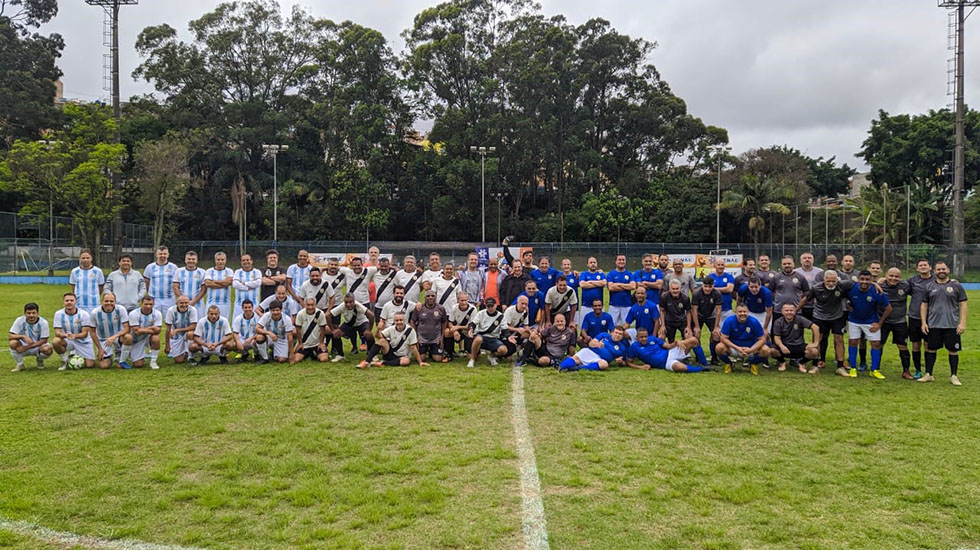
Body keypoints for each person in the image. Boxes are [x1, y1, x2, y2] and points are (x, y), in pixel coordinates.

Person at [920, 261, 968, 385]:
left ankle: (954, 376)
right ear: (934, 271)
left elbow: (963, 304)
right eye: (938, 269)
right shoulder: (929, 286)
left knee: (953, 350)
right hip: (933, 324)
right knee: (931, 349)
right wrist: (924, 322)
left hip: (951, 325)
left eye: (943, 269)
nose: (941, 271)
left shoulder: (956, 286)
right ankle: (928, 374)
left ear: (948, 270)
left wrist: (962, 323)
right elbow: (924, 305)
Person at [802, 270, 851, 377]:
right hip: (820, 317)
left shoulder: (843, 285)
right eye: (829, 281)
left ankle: (840, 366)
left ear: (837, 280)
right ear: (824, 279)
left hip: (837, 317)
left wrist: (875, 284)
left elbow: (859, 283)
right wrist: (795, 311)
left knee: (839, 339)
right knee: (818, 339)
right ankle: (815, 365)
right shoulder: (816, 288)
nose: (831, 284)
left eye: (834, 281)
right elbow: (806, 299)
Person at [846, 270, 892, 379]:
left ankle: (874, 370)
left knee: (876, 344)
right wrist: (847, 304)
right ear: (858, 279)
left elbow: (888, 308)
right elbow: (842, 296)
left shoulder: (876, 291)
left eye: (867, 279)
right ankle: (853, 368)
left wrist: (879, 323)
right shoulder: (851, 288)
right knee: (853, 342)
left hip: (871, 321)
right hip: (854, 320)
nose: (864, 282)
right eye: (862, 279)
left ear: (871, 280)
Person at [626, 326, 710, 372]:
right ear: (637, 337)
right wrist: (641, 367)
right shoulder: (634, 347)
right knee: (679, 367)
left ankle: (705, 364)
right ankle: (701, 369)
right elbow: (629, 362)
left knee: (694, 340)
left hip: (670, 353)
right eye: (641, 337)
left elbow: (668, 346)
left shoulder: (652, 338)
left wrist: (677, 342)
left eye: (645, 336)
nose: (644, 339)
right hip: (665, 363)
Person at [716, 303, 770, 375]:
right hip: (734, 348)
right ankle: (729, 363)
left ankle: (752, 363)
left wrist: (751, 349)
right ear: (735, 312)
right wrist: (737, 348)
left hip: (750, 348)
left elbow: (762, 339)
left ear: (748, 312)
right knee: (719, 347)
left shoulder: (754, 321)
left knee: (766, 350)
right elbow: (723, 338)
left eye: (744, 312)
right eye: (740, 312)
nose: (742, 314)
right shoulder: (729, 321)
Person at [360, 312, 427, 368]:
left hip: (403, 356)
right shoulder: (391, 328)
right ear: (394, 321)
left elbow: (413, 347)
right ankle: (366, 361)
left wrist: (420, 362)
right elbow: (378, 336)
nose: (399, 322)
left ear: (405, 320)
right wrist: (378, 329)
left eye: (401, 320)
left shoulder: (410, 330)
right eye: (397, 320)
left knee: (406, 361)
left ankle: (383, 363)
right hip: (391, 353)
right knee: (381, 341)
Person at [881, 267, 913, 379]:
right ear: (886, 275)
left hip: (900, 322)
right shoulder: (879, 286)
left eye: (897, 276)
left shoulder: (905, 286)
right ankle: (875, 369)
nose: (893, 278)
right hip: (883, 322)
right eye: (891, 276)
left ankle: (906, 371)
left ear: (900, 278)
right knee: (878, 345)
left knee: (903, 346)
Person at [906, 259, 935, 379]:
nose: (923, 267)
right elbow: (898, 285)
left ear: (930, 267)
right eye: (920, 265)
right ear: (917, 268)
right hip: (914, 316)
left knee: (929, 345)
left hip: (931, 318)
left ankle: (929, 371)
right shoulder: (912, 281)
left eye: (925, 265)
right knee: (915, 344)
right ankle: (918, 370)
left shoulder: (936, 280)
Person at [770, 304, 821, 372]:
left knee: (814, 352)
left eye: (791, 310)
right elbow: (776, 338)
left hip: (799, 345)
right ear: (782, 312)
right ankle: (782, 362)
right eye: (786, 310)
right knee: (772, 350)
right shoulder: (778, 322)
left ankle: (802, 363)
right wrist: (782, 346)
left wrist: (816, 343)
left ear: (795, 311)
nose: (789, 312)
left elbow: (816, 327)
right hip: (785, 346)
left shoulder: (800, 319)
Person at [52, 293, 96, 370]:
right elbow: (57, 332)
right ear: (63, 302)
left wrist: (74, 336)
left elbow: (85, 333)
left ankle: (75, 355)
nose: (69, 302)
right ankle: (64, 360)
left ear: (76, 302)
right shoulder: (58, 314)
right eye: (67, 300)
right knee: (56, 341)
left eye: (71, 300)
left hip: (83, 341)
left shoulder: (84, 314)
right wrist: (66, 335)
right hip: (67, 340)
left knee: (90, 365)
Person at [557, 325, 629, 372]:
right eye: (616, 333)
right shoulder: (604, 335)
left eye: (620, 334)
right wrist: (598, 344)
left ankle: (578, 368)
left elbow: (624, 362)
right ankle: (560, 367)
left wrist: (620, 362)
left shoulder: (622, 347)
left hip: (600, 359)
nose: (617, 335)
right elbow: (591, 344)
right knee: (575, 359)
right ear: (612, 333)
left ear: (622, 336)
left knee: (604, 365)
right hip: (590, 351)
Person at [327, 293, 375, 362]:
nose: (348, 304)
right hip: (348, 324)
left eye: (350, 302)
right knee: (336, 334)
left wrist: (369, 329)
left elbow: (371, 315)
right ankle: (340, 355)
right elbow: (328, 316)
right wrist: (332, 330)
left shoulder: (358, 306)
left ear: (354, 301)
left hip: (362, 323)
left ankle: (372, 355)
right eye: (346, 302)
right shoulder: (342, 306)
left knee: (368, 335)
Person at [89, 292, 131, 370]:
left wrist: (114, 337)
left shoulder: (121, 309)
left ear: (115, 302)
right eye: (106, 301)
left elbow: (127, 328)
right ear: (101, 301)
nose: (109, 303)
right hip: (103, 339)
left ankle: (122, 360)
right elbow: (92, 332)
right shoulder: (95, 313)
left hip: (118, 337)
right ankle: (109, 357)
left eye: (111, 301)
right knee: (104, 366)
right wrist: (100, 349)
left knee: (128, 337)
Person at [9, 302, 52, 372]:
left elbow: (44, 340)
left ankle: (40, 359)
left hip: (38, 346)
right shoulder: (19, 320)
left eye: (33, 313)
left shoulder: (43, 322)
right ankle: (20, 364)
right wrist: (23, 336)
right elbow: (10, 336)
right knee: (12, 343)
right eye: (28, 313)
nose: (31, 315)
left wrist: (26, 347)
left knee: (47, 349)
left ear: (38, 313)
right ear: (25, 313)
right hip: (23, 345)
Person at [467, 297, 508, 367]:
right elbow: (473, 324)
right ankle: (472, 360)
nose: (490, 308)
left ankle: (491, 356)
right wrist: (471, 329)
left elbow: (505, 330)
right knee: (478, 339)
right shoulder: (481, 313)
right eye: (488, 306)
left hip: (494, 339)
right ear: (485, 306)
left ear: (496, 305)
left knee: (504, 350)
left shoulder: (500, 316)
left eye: (492, 306)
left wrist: (509, 337)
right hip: (481, 337)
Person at [410, 289, 449, 362]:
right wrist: (416, 336)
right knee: (421, 358)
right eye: (428, 296)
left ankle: (432, 351)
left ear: (436, 297)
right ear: (424, 298)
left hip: (435, 338)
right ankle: (426, 350)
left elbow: (444, 322)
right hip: (422, 338)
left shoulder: (441, 308)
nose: (430, 297)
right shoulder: (419, 308)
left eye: (432, 296)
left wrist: (442, 336)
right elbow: (412, 321)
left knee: (438, 359)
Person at [659, 279, 697, 354]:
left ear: (680, 289)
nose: (675, 291)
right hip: (669, 321)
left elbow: (688, 312)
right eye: (673, 289)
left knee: (689, 336)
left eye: (677, 289)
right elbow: (662, 311)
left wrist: (688, 326)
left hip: (682, 321)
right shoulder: (664, 297)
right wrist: (663, 325)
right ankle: (665, 355)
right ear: (670, 289)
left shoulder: (685, 298)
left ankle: (685, 355)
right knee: (661, 336)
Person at [691, 276, 722, 364]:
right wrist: (697, 327)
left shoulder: (717, 293)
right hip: (699, 315)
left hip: (711, 315)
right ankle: (698, 358)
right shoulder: (697, 294)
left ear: (713, 286)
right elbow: (694, 310)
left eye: (710, 286)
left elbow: (718, 309)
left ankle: (714, 358)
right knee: (696, 334)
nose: (707, 289)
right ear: (702, 286)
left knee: (716, 335)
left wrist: (716, 327)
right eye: (706, 286)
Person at [127, 295, 163, 370]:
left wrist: (142, 330)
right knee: (138, 365)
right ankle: (138, 356)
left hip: (148, 337)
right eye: (146, 304)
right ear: (141, 304)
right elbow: (136, 331)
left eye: (150, 304)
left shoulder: (157, 314)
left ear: (153, 304)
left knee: (156, 338)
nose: (148, 306)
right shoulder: (133, 314)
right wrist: (151, 328)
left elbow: (158, 330)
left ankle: (153, 362)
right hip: (136, 339)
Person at [772, 255, 809, 326]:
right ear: (781, 265)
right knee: (777, 332)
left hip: (795, 311)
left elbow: (806, 294)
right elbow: (770, 292)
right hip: (779, 311)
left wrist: (797, 307)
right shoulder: (776, 277)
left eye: (789, 263)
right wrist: (777, 301)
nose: (787, 265)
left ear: (794, 264)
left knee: (795, 332)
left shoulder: (801, 277)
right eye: (784, 264)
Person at [292, 297, 330, 364]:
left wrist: (321, 342)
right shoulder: (300, 314)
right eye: (308, 305)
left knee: (324, 359)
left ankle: (313, 353)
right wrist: (300, 343)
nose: (310, 307)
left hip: (317, 343)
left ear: (315, 305)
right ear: (305, 304)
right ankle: (308, 353)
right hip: (304, 343)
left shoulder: (320, 313)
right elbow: (298, 329)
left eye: (312, 305)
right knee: (296, 359)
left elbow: (323, 329)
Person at [144, 245, 179, 316]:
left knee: (170, 319)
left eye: (165, 254)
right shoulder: (150, 267)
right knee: (153, 319)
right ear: (156, 255)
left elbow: (177, 282)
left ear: (168, 255)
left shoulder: (174, 267)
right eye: (160, 254)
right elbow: (146, 282)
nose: (162, 255)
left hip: (169, 299)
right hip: (154, 299)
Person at [164, 295, 198, 365]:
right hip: (176, 335)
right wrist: (167, 346)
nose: (184, 305)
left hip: (187, 333)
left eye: (186, 303)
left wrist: (177, 330)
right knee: (178, 361)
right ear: (177, 303)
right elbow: (168, 329)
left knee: (190, 333)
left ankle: (191, 357)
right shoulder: (171, 310)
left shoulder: (192, 310)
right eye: (181, 303)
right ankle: (185, 353)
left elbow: (193, 327)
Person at [203, 251, 235, 322]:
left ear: (225, 260)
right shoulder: (209, 271)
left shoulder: (229, 271)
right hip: (211, 302)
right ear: (215, 260)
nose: (220, 262)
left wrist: (214, 281)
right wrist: (224, 283)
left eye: (222, 260)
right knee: (209, 322)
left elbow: (229, 282)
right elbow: (208, 283)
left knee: (224, 323)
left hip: (225, 303)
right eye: (218, 260)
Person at [174, 250, 207, 318]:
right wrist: (183, 300)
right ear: (185, 260)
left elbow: (204, 289)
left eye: (193, 259)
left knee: (198, 324)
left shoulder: (202, 272)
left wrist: (194, 301)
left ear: (197, 260)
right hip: (182, 303)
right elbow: (175, 287)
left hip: (198, 304)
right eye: (189, 259)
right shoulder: (179, 271)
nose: (191, 261)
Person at [232, 299, 266, 364]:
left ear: (252, 308)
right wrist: (238, 342)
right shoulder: (238, 318)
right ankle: (244, 354)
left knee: (260, 338)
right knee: (232, 344)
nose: (247, 309)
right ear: (242, 308)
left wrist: (251, 338)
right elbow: (235, 333)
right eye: (245, 307)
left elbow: (262, 331)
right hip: (243, 340)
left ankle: (256, 354)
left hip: (254, 339)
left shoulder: (258, 317)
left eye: (249, 307)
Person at [445, 292, 476, 361]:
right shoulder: (454, 308)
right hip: (459, 330)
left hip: (469, 332)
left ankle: (475, 351)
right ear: (458, 300)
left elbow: (472, 326)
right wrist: (455, 331)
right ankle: (449, 354)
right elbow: (450, 322)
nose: (464, 303)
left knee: (471, 358)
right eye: (462, 300)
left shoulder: (473, 309)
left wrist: (458, 327)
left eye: (465, 300)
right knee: (447, 332)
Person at [794, 252, 824, 321]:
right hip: (799, 304)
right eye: (804, 258)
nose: (807, 259)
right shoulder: (795, 272)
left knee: (817, 325)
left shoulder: (820, 272)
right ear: (801, 261)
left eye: (809, 258)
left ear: (813, 260)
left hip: (816, 304)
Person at [607, 254, 635, 326]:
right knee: (613, 326)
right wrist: (626, 286)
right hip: (614, 305)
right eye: (619, 260)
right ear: (616, 262)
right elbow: (611, 287)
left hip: (626, 305)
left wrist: (618, 284)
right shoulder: (611, 273)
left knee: (626, 326)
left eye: (623, 260)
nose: (621, 261)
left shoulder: (629, 274)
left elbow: (633, 286)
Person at [504, 295, 534, 363]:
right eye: (522, 303)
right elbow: (505, 327)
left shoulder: (525, 311)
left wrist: (531, 331)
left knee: (532, 336)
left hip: (516, 332)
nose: (524, 306)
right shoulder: (510, 310)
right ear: (517, 303)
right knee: (506, 354)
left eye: (525, 304)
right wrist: (517, 329)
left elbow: (526, 325)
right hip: (506, 335)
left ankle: (526, 355)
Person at [578, 257, 606, 325]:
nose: (593, 264)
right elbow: (582, 284)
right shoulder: (583, 274)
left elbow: (604, 283)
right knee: (584, 326)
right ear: (587, 264)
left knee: (600, 325)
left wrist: (589, 282)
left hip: (599, 306)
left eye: (594, 262)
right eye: (591, 262)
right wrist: (597, 283)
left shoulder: (601, 274)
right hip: (586, 306)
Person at [233, 253, 263, 317]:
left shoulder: (257, 272)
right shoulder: (238, 272)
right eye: (243, 260)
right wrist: (247, 288)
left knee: (254, 324)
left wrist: (245, 283)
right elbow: (235, 284)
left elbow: (258, 283)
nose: (246, 262)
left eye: (247, 260)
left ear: (251, 261)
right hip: (239, 305)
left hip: (254, 304)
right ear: (241, 262)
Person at [708, 258, 736, 324]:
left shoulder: (729, 276)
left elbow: (730, 289)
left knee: (728, 329)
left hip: (727, 308)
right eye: (718, 265)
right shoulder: (710, 277)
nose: (720, 266)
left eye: (722, 265)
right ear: (714, 266)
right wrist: (724, 288)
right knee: (715, 330)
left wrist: (714, 289)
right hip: (713, 308)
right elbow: (708, 289)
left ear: (724, 266)